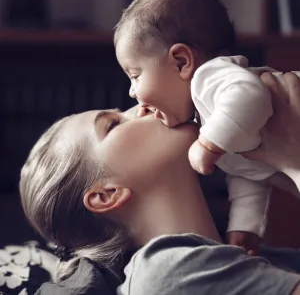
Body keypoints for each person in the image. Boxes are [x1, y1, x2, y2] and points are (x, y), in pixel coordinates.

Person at [20, 72, 300, 294]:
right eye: (113, 124)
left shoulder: (249, 258)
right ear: (106, 195)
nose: (141, 105)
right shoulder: (167, 274)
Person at [113, 0, 300, 254]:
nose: (133, 93)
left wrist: (208, 144)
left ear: (182, 62)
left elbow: (250, 94)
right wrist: (246, 224)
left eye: (135, 76)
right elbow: (248, 171)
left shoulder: (209, 78)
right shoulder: (217, 120)